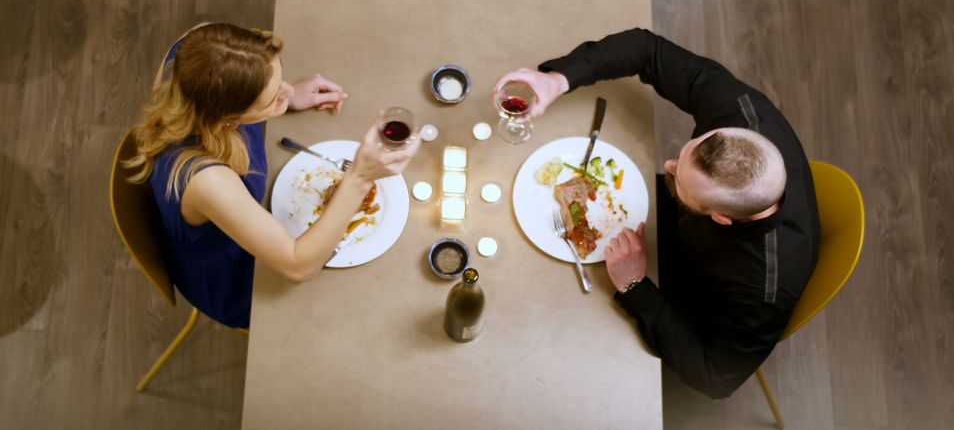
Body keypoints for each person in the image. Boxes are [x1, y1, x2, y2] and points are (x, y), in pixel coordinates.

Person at [492, 28, 819, 398]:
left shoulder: (763, 287)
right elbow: (647, 50)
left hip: (688, 293)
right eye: (683, 157)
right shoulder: (742, 115)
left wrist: (636, 286)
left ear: (722, 219)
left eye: (679, 177)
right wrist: (557, 79)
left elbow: (715, 377)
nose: (669, 165)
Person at [125, 23, 420, 329]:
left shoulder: (195, 47)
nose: (289, 90)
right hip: (236, 274)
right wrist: (359, 178)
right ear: (227, 117)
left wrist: (282, 96)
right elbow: (298, 266)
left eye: (280, 76)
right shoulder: (205, 180)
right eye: (271, 98)